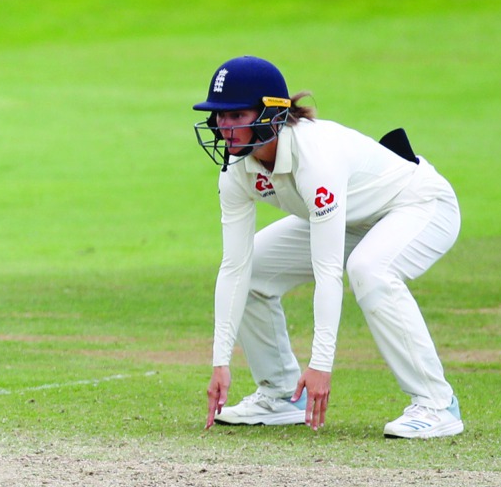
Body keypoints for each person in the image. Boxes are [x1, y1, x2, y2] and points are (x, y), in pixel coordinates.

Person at [194, 55, 463, 439]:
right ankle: (281, 394)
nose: (224, 128)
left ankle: (437, 404)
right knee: (254, 270)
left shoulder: (315, 158)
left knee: (371, 271)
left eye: (236, 115)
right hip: (352, 217)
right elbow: (234, 267)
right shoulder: (237, 170)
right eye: (219, 116)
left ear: (272, 115)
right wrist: (220, 361)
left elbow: (328, 271)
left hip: (419, 205)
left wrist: (321, 365)